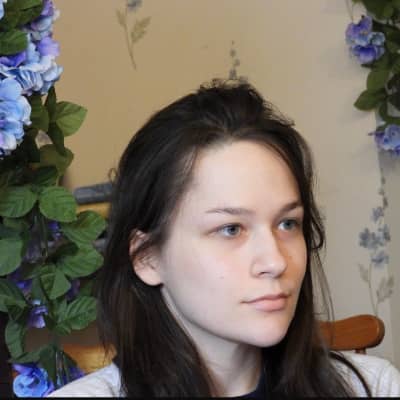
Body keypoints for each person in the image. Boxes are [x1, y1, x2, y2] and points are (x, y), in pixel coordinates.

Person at [49, 80, 400, 397]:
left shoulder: (373, 387)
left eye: (287, 224)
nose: (275, 261)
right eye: (231, 229)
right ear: (147, 257)